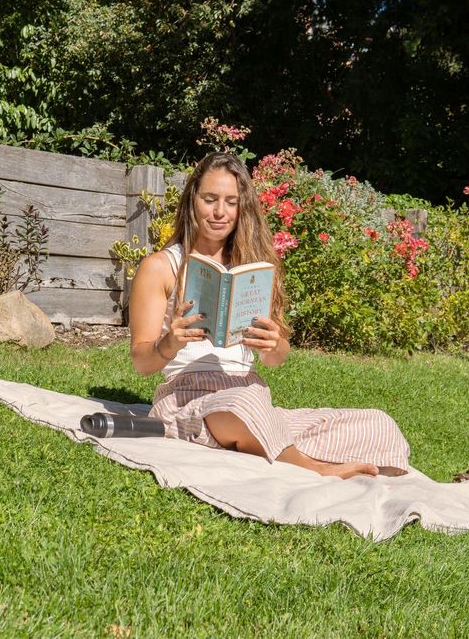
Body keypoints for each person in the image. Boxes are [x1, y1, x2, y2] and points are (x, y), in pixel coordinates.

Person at [128, 152, 410, 478]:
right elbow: (141, 362)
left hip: (253, 397)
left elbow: (276, 358)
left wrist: (273, 345)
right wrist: (169, 344)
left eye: (231, 202)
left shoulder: (253, 269)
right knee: (242, 407)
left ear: (242, 207)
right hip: (188, 401)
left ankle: (282, 447)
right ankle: (316, 469)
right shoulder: (161, 267)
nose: (220, 212)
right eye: (210, 199)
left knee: (378, 423)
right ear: (192, 201)